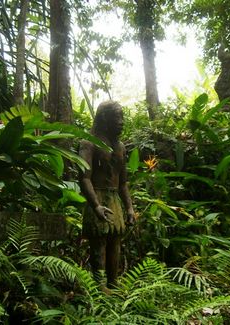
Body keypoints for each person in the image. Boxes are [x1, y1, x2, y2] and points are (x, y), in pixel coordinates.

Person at [79, 100, 135, 291]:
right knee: (99, 244)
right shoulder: (88, 143)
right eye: (117, 117)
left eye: (122, 117)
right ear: (104, 118)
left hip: (114, 199)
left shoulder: (120, 147)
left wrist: (129, 208)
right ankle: (99, 286)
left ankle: (113, 283)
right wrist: (95, 205)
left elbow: (123, 182)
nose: (121, 122)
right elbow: (85, 177)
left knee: (115, 242)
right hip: (98, 197)